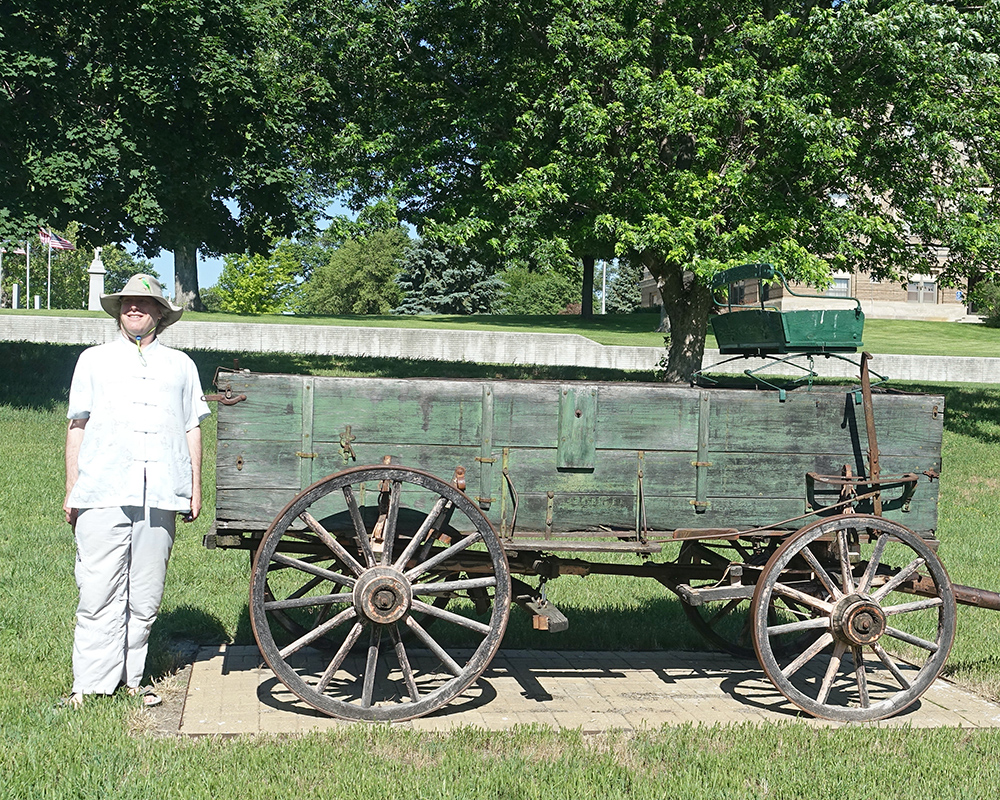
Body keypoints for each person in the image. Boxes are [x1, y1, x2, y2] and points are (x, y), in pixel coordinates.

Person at [63, 274, 210, 708]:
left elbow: (191, 428)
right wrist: (73, 488)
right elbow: (77, 426)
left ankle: (132, 679)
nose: (135, 309)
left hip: (161, 491)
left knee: (144, 594)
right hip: (103, 487)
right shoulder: (94, 360)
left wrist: (193, 487)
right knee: (97, 591)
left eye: (144, 304)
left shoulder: (181, 365)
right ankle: (89, 687)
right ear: (118, 310)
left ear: (160, 313)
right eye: (128, 302)